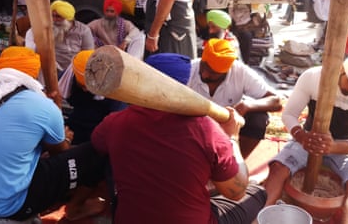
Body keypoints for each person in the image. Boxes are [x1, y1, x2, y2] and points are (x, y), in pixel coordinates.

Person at [91, 53, 267, 224]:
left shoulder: (114, 122)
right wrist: (232, 138)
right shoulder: (205, 128)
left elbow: (96, 142)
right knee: (256, 191)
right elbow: (236, 192)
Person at [0, 46, 106, 221]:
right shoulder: (43, 105)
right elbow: (60, 152)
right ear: (33, 74)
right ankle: (75, 208)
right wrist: (65, 136)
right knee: (96, 154)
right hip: (13, 205)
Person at [263, 47, 348, 224]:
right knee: (278, 169)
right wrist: (301, 136)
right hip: (306, 140)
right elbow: (289, 114)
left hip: (346, 148)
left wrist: (334, 147)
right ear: (342, 69)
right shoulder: (313, 77)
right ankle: (259, 217)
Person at [188, 39, 282, 158]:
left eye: (212, 73)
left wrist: (246, 106)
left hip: (227, 128)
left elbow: (276, 101)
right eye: (204, 67)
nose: (205, 74)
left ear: (227, 71)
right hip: (193, 127)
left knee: (258, 119)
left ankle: (235, 164)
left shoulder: (239, 72)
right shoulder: (189, 69)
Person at [58, 49, 127, 144]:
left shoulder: (115, 89)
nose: (86, 90)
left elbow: (115, 124)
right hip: (75, 122)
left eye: (90, 86)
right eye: (82, 85)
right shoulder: (65, 78)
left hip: (101, 130)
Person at [25, 0, 94, 75]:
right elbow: (32, 37)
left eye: (58, 17)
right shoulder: (48, 28)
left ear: (69, 19)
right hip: (53, 70)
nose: (54, 20)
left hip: (75, 71)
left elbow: (88, 54)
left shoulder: (83, 30)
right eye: (52, 16)